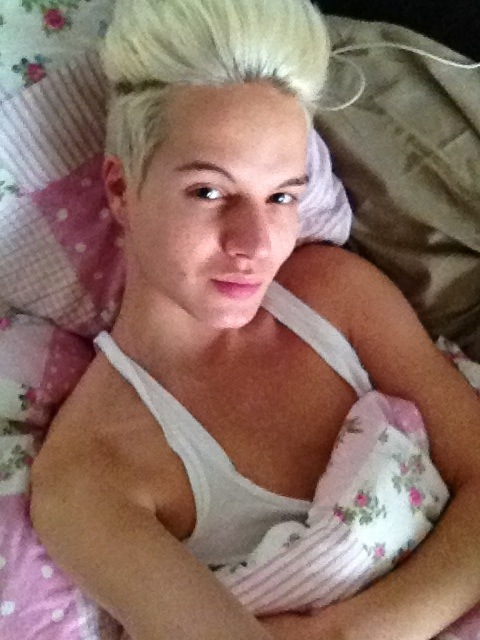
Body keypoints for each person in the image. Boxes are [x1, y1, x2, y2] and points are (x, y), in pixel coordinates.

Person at [29, 0, 480, 639]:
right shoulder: (90, 476)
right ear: (122, 189)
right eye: (209, 191)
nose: (256, 243)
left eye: (281, 196)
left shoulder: (335, 293)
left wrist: (355, 631)